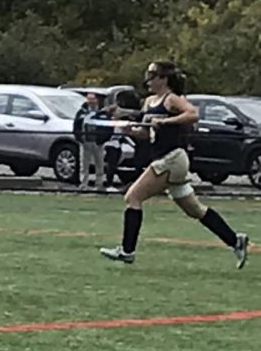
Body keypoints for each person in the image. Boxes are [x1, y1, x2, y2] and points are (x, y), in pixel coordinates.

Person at [100, 61, 249, 268]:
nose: (148, 81)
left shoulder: (172, 100)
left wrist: (167, 122)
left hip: (172, 158)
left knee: (132, 197)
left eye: (153, 76)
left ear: (164, 79)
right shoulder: (149, 101)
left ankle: (127, 251)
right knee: (195, 210)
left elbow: (192, 113)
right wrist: (131, 131)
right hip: (164, 158)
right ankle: (235, 240)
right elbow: (147, 133)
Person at [74, 93, 107, 190]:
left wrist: (103, 139)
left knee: (99, 163)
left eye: (93, 99)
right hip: (85, 142)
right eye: (89, 99)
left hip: (98, 142)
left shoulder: (102, 112)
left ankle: (99, 183)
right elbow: (76, 126)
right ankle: (84, 184)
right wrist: (79, 138)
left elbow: (108, 127)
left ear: (97, 100)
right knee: (84, 164)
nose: (91, 101)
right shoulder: (81, 112)